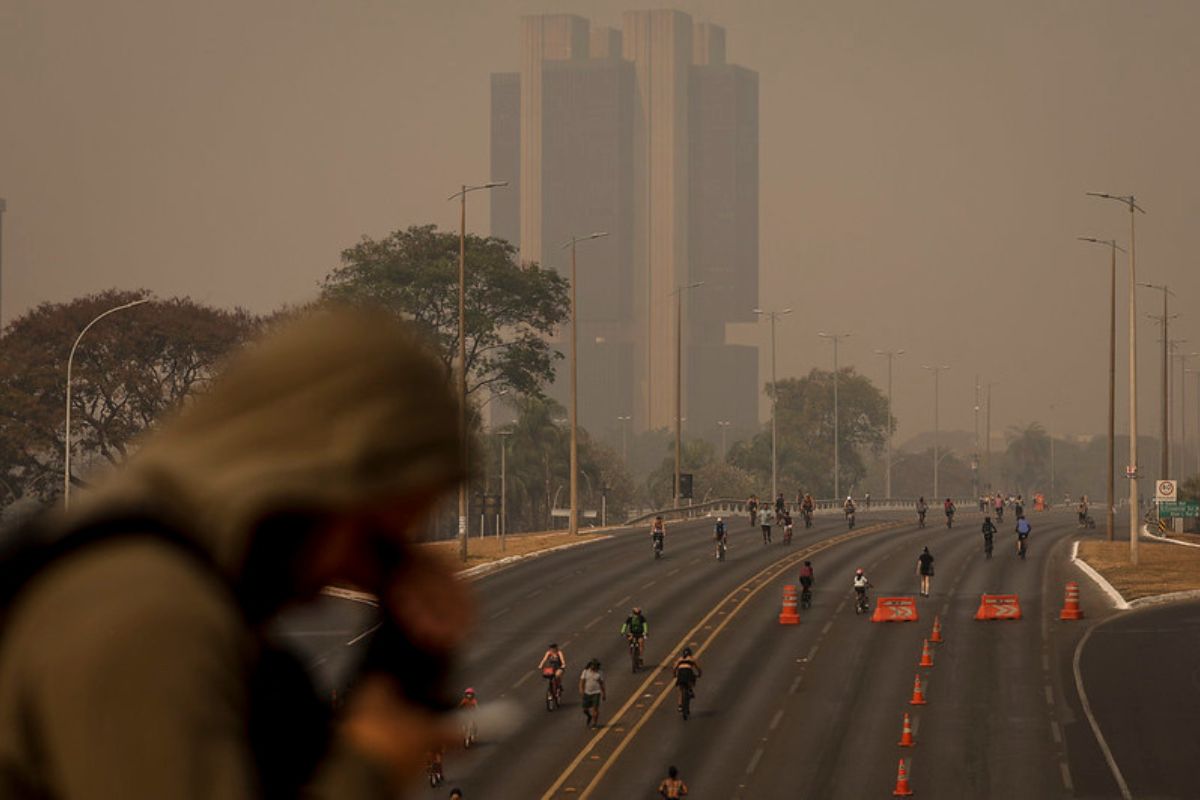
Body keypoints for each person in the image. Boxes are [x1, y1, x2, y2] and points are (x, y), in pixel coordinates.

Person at [0, 309, 474, 799]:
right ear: (306, 490)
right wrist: (372, 762)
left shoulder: (155, 570)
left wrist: (403, 659)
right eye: (372, 540)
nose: (358, 575)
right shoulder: (151, 617)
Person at [579, 659, 606, 729]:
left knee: (595, 709)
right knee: (585, 709)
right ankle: (589, 716)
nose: (594, 667)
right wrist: (581, 691)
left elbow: (601, 683)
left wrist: (603, 693)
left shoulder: (599, 673)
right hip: (587, 693)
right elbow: (582, 682)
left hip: (596, 693)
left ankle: (594, 723)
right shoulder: (585, 672)